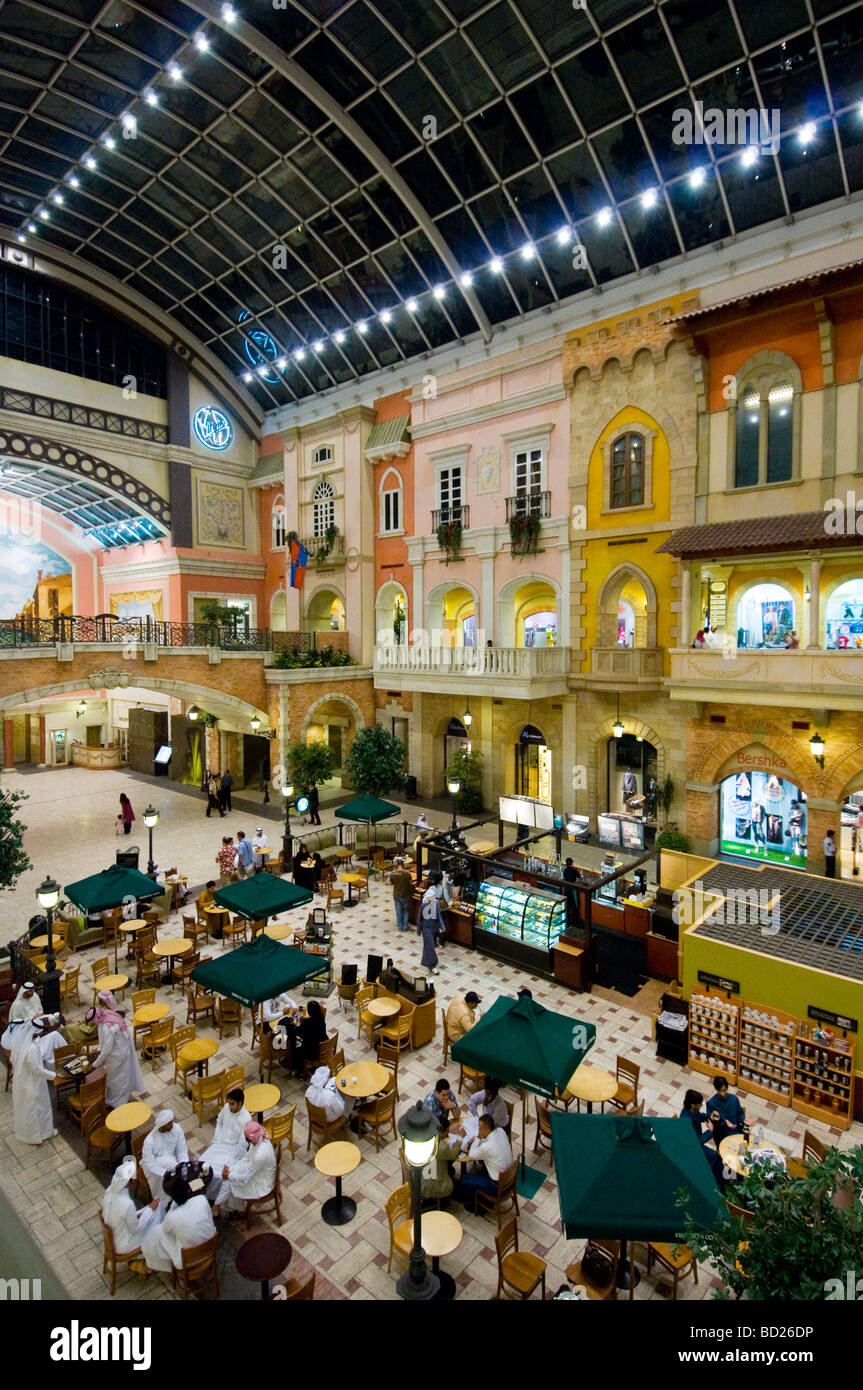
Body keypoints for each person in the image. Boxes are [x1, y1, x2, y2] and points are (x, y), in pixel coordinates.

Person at [142, 1176, 216, 1274]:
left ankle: (155, 1263)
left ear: (173, 1198)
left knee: (157, 1231)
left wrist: (173, 1206)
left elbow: (165, 1228)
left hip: (189, 1261)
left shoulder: (173, 1216)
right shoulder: (201, 1199)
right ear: (189, 1191)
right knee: (177, 1229)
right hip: (209, 1249)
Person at [102, 1157, 161, 1267]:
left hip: (115, 1235)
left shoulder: (109, 1191)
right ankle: (146, 1262)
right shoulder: (126, 1204)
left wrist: (138, 1215)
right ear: (127, 1182)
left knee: (147, 1213)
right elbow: (136, 1229)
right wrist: (150, 1209)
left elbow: (121, 1215)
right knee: (155, 1227)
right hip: (122, 1244)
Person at [86, 996, 143, 1109]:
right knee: (113, 1079)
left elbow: (107, 1048)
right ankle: (113, 1100)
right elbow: (102, 1041)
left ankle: (119, 1104)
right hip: (115, 1056)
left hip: (119, 1056)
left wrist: (95, 1064)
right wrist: (98, 1049)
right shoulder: (103, 1019)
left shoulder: (107, 1027)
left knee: (119, 1081)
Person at [213, 1120, 276, 1217]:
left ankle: (237, 1210)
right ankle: (224, 1206)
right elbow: (247, 1158)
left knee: (231, 1184)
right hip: (256, 1171)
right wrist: (232, 1169)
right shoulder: (258, 1140)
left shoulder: (260, 1154)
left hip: (263, 1183)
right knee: (232, 1177)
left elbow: (245, 1178)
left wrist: (229, 1175)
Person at [11, 1016, 57, 1144]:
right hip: (33, 1082)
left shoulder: (21, 1043)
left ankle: (31, 1134)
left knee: (29, 1108)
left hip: (23, 1080)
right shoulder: (31, 1049)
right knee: (38, 1107)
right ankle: (39, 1134)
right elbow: (36, 1068)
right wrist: (53, 1075)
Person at [201, 1089, 251, 1195]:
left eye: (232, 1104)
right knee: (202, 1164)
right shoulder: (226, 1108)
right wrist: (217, 1138)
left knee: (221, 1175)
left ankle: (217, 1198)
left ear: (240, 1103)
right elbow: (219, 1121)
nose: (230, 1107)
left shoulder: (246, 1119)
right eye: (229, 1103)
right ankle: (201, 1192)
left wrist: (231, 1162)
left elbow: (242, 1143)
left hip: (232, 1149)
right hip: (219, 1143)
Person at [454, 1114, 513, 1203]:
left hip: (496, 1185)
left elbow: (471, 1155)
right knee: (481, 1166)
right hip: (509, 1178)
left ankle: (471, 1204)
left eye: (479, 1129)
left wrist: (477, 1138)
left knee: (464, 1180)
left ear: (486, 1129)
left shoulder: (487, 1147)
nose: (478, 1130)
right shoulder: (501, 1131)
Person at [141, 1110, 189, 1207]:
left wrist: (182, 1164)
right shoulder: (149, 1141)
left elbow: (181, 1150)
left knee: (183, 1175)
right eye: (169, 1124)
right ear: (162, 1126)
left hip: (173, 1161)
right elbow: (150, 1165)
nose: (172, 1125)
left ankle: (178, 1197)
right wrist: (166, 1173)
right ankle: (165, 1203)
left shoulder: (177, 1129)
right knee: (165, 1184)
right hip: (155, 1169)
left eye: (172, 1122)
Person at [679, 1089, 725, 1188]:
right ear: (693, 1105)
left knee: (716, 1157)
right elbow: (697, 1141)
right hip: (691, 1148)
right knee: (715, 1157)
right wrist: (711, 1131)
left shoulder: (691, 1110)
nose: (701, 1106)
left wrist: (710, 1116)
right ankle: (719, 1184)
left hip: (693, 1143)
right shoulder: (686, 1121)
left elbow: (699, 1116)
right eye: (700, 1104)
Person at [420, 1113, 463, 1203]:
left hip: (419, 1175)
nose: (448, 1133)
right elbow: (452, 1155)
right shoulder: (442, 1147)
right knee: (458, 1189)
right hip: (431, 1184)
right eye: (447, 1131)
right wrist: (460, 1138)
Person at [286, 998, 327, 1069]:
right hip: (323, 1045)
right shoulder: (321, 1018)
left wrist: (291, 1025)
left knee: (295, 1043)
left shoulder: (307, 1022)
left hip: (312, 1052)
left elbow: (298, 1031)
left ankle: (297, 1066)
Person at [1, 980, 43, 1051]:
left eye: (33, 990)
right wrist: (32, 1018)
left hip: (39, 1020)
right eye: (30, 991)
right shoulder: (17, 1005)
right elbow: (16, 1023)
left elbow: (40, 1008)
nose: (33, 992)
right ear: (24, 992)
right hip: (26, 1026)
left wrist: (40, 1014)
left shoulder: (35, 996)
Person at [707, 1076, 745, 1146]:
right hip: (721, 1134)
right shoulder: (711, 1103)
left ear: (727, 1088)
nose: (722, 1094)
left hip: (735, 1131)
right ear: (716, 1089)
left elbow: (740, 1116)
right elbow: (710, 1122)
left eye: (724, 1090)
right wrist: (724, 1122)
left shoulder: (734, 1099)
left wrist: (744, 1121)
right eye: (719, 1091)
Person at [418, 876, 440, 975]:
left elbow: (439, 916)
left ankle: (425, 961)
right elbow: (419, 918)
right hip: (426, 929)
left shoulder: (435, 905)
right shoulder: (423, 906)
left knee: (428, 946)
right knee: (430, 946)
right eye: (433, 897)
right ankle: (431, 965)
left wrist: (441, 926)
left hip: (432, 929)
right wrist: (419, 930)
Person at [391, 855, 414, 933]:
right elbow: (411, 884)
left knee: (398, 911)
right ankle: (405, 926)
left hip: (396, 894)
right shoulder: (407, 873)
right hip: (405, 894)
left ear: (397, 865)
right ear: (402, 865)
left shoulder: (393, 874)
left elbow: (391, 883)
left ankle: (400, 926)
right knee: (406, 910)